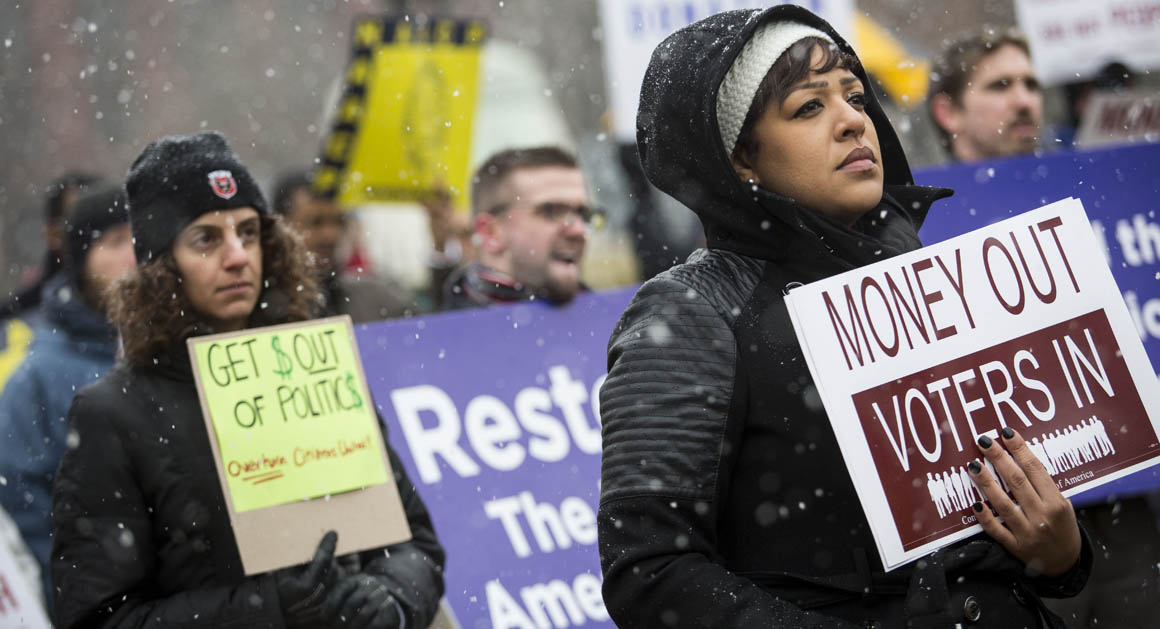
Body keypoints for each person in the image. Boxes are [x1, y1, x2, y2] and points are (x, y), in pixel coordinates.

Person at [597, 6, 1090, 628]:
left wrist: (1062, 553)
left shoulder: (926, 279)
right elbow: (649, 572)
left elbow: (996, 531)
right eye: (809, 107)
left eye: (856, 97)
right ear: (739, 159)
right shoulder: (695, 311)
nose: (853, 121)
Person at [51, 131, 444, 628]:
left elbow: (415, 543)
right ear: (161, 266)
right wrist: (265, 608)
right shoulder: (114, 413)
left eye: (249, 232)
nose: (238, 256)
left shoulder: (316, 369)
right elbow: (96, 618)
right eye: (206, 239)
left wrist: (393, 598)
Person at [0, 184, 135, 607]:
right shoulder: (39, 373)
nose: (132, 256)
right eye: (114, 242)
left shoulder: (177, 350)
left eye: (139, 240)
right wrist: (76, 598)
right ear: (79, 261)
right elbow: (26, 506)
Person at [442, 146, 595, 310]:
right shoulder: (441, 332)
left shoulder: (610, 321)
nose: (578, 230)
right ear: (490, 233)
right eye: (551, 211)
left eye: (582, 214)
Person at [0, 173, 103, 392]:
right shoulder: (15, 331)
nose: (96, 239)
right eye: (81, 223)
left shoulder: (152, 324)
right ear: (52, 234)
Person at [272, 170, 416, 322]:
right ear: (281, 227)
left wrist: (440, 248)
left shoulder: (372, 298)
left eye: (338, 221)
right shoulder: (261, 308)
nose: (331, 235)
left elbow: (431, 329)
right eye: (315, 222)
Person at [927, 28, 1043, 163]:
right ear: (948, 113)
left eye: (1031, 85)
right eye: (1001, 86)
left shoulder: (1071, 178)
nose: (1024, 101)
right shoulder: (922, 182)